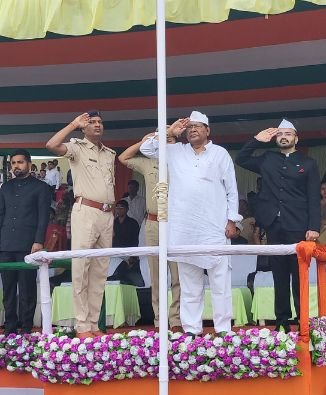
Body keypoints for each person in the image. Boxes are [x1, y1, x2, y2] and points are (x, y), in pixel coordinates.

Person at [159, 112, 240, 335]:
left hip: (215, 228)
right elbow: (148, 149)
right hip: (185, 230)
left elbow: (231, 189)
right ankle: (192, 330)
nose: (193, 129)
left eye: (198, 126)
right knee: (190, 286)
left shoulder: (220, 154)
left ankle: (223, 330)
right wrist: (168, 132)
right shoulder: (175, 151)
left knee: (220, 284)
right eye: (190, 127)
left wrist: (232, 219)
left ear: (208, 131)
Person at [235, 119, 319, 330]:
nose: (284, 137)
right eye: (280, 134)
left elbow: (313, 197)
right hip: (274, 225)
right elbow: (241, 159)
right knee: (279, 276)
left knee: (299, 276)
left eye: (288, 134)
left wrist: (314, 226)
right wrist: (256, 140)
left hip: (298, 225)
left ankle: (303, 322)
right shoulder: (267, 159)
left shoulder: (307, 163)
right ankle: (282, 322)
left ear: (296, 139)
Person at [45, 111, 116, 337]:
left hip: (107, 213)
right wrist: (73, 123)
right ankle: (82, 324)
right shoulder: (77, 147)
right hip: (85, 210)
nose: (97, 125)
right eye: (91, 123)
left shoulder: (110, 153)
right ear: (83, 129)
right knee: (80, 269)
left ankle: (94, 324)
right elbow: (51, 145)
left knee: (100, 271)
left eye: (99, 122)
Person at [118, 132, 181, 329]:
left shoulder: (183, 163)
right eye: (163, 139)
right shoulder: (149, 162)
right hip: (153, 224)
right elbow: (123, 158)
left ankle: (176, 319)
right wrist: (143, 140)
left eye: (170, 139)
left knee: (178, 276)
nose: (166, 143)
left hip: (176, 223)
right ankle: (159, 320)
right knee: (157, 275)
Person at [0, 150, 51, 334]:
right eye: (13, 163)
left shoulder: (41, 188)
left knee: (27, 288)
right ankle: (10, 328)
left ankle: (26, 328)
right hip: (5, 245)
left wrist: (38, 241)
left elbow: (43, 217)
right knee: (8, 290)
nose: (16, 166)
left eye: (20, 162)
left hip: (28, 245)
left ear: (29, 164)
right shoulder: (5, 187)